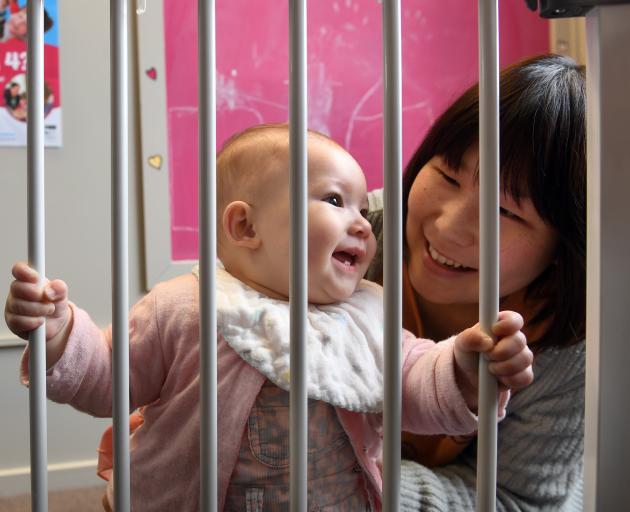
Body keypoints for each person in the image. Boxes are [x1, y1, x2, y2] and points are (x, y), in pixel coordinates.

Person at [5, 124, 533, 511]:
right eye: (335, 200)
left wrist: (462, 367)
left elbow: (414, 383)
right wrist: (59, 333)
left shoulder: (366, 315)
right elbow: (109, 377)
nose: (364, 223)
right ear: (244, 226)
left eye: (359, 205)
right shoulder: (185, 306)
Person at [365, 54, 586, 510]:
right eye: (446, 175)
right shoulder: (356, 235)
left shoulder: (566, 341)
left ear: (563, 245)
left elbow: (517, 499)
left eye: (505, 211)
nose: (447, 227)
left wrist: (361, 475)